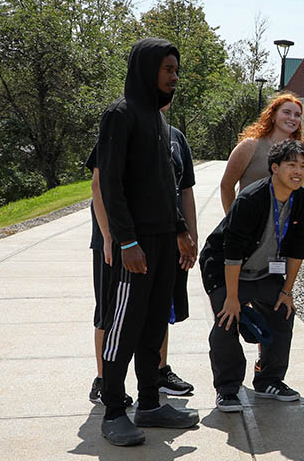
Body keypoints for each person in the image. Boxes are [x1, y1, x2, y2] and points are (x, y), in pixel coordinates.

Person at [95, 38, 199, 446]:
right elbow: (110, 186)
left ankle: (151, 403)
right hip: (133, 247)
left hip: (162, 242)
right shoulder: (120, 116)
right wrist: (124, 242)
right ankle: (114, 411)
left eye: (176, 70)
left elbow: (163, 186)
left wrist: (181, 231)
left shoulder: (158, 120)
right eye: (168, 69)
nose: (175, 77)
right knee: (125, 326)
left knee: (155, 324)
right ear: (146, 69)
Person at [88, 104, 196, 406]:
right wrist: (110, 237)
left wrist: (190, 236)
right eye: (164, 72)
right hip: (118, 242)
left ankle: (158, 372)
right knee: (111, 313)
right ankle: (105, 380)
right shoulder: (122, 123)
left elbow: (184, 189)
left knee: (157, 310)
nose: (170, 83)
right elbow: (100, 184)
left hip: (163, 239)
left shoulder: (174, 136)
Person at [199, 139, 304, 411]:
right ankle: (227, 389)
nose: (298, 171)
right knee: (227, 320)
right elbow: (232, 252)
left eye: (302, 166)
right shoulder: (251, 199)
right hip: (226, 268)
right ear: (274, 168)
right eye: (290, 165)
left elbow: (298, 250)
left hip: (266, 271)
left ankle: (269, 380)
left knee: (283, 313)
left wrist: (287, 292)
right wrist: (231, 298)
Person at [220, 93, 304, 213]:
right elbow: (226, 186)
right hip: (250, 223)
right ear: (273, 115)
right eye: (286, 112)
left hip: (284, 224)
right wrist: (232, 220)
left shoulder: (299, 152)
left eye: (297, 115)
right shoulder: (250, 145)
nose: (292, 118)